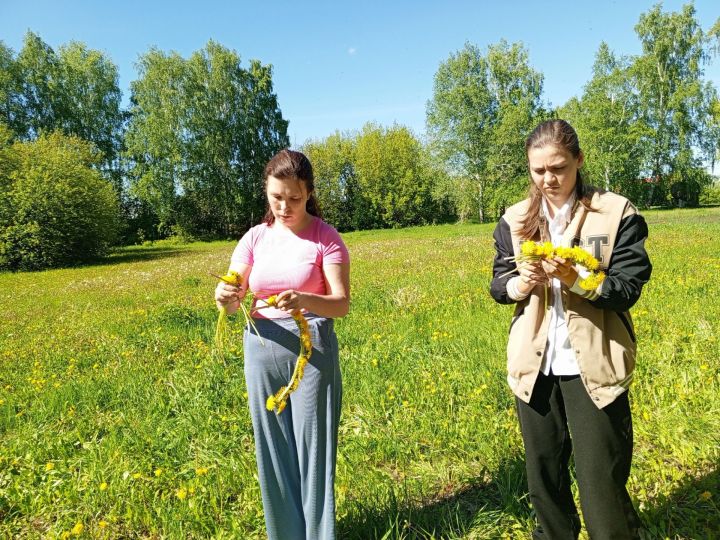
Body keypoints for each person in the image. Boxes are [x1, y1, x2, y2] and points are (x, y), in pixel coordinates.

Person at [490, 119, 651, 539]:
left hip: (594, 366)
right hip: (535, 366)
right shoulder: (515, 219)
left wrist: (579, 280)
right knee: (545, 482)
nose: (548, 179)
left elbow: (628, 287)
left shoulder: (616, 214)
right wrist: (521, 283)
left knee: (601, 485)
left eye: (558, 167)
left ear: (578, 160)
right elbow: (498, 285)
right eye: (538, 170)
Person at [215, 149, 350, 540]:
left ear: (308, 193)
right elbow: (233, 289)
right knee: (273, 450)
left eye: (294, 198)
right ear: (267, 192)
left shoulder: (326, 238)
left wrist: (305, 300)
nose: (284, 206)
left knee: (314, 451)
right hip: (261, 347)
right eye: (277, 197)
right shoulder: (255, 238)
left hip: (313, 351)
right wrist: (225, 296)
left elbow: (341, 303)